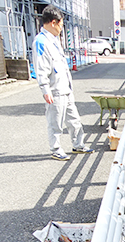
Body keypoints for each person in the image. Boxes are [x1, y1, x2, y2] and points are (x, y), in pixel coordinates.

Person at [32, 4, 93, 161]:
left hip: (65, 88)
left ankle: (78, 144)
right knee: (55, 122)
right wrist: (45, 89)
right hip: (55, 89)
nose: (62, 27)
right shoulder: (41, 42)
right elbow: (41, 68)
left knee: (74, 120)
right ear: (53, 22)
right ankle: (56, 149)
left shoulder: (54, 40)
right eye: (61, 24)